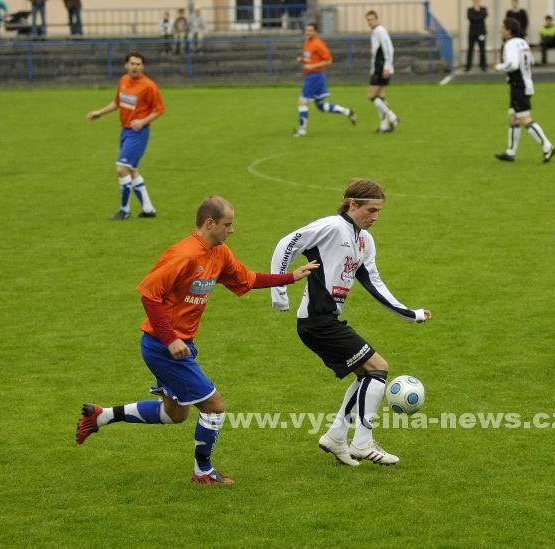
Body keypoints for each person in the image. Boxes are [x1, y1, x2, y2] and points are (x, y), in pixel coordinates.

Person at [76, 196, 319, 485]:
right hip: (163, 347)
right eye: (227, 224)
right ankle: (203, 471)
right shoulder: (183, 255)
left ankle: (101, 416)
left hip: (179, 345)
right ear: (209, 223)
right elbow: (149, 297)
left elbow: (246, 279)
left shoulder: (220, 253)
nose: (232, 230)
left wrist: (290, 277)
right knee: (214, 406)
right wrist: (170, 340)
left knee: (174, 414)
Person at [270, 179, 432, 466]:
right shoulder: (332, 227)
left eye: (379, 211)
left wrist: (410, 313)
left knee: (366, 375)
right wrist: (279, 292)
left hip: (327, 320)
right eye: (371, 210)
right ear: (353, 204)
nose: (376, 217)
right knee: (378, 368)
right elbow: (288, 243)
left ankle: (336, 436)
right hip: (316, 322)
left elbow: (373, 282)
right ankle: (362, 443)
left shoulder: (364, 241)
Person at [87, 52, 165, 221]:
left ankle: (124, 210)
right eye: (132, 64)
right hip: (125, 131)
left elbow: (159, 109)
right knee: (131, 170)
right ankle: (148, 209)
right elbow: (117, 102)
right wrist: (99, 113)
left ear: (143, 67)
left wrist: (142, 122)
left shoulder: (149, 86)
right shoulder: (123, 80)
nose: (135, 67)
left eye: (138, 64)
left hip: (138, 133)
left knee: (121, 168)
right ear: (126, 65)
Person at [494, 18, 555, 164]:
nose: (501, 30)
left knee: (524, 118)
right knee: (512, 117)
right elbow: (531, 61)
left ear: (509, 30)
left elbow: (513, 65)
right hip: (525, 83)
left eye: (503, 27)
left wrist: (499, 66)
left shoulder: (510, 44)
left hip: (518, 85)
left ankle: (548, 146)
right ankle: (511, 152)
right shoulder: (522, 42)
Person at [294, 23, 357, 137]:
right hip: (314, 75)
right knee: (321, 106)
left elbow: (329, 60)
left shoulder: (318, 44)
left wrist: (312, 66)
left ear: (316, 32)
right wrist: (303, 60)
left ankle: (302, 130)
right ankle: (347, 112)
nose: (307, 33)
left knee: (302, 102)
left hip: (315, 76)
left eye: (310, 31)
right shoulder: (307, 42)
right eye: (306, 30)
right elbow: (311, 58)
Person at [365, 10, 399, 133]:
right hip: (378, 67)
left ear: (377, 19)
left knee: (371, 95)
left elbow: (389, 48)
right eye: (368, 20)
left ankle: (392, 116)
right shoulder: (375, 32)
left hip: (381, 67)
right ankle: (383, 126)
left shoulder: (380, 30)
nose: (369, 22)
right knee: (380, 96)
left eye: (371, 19)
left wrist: (387, 66)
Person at [465, 0, 488, 72]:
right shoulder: (470, 10)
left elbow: (484, 16)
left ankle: (483, 65)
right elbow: (470, 18)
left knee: (482, 49)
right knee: (470, 50)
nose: (476, 2)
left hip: (481, 33)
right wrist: (479, 16)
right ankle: (468, 66)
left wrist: (476, 16)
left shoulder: (483, 9)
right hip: (472, 33)